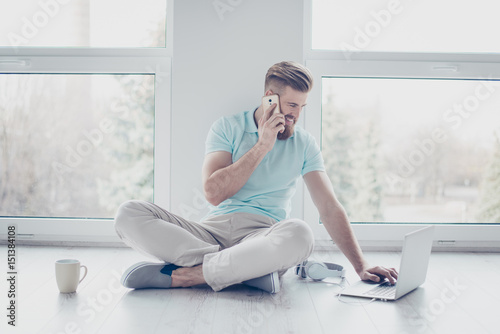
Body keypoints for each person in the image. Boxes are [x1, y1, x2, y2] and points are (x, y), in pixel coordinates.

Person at [114, 61, 398, 293]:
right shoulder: (227, 128)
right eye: (291, 106)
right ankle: (246, 272)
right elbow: (213, 193)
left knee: (300, 234)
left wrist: (361, 265)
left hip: (262, 237)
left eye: (301, 107)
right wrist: (262, 145)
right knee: (128, 213)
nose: (296, 116)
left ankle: (188, 276)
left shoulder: (304, 144)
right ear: (269, 98)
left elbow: (329, 207)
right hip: (209, 234)